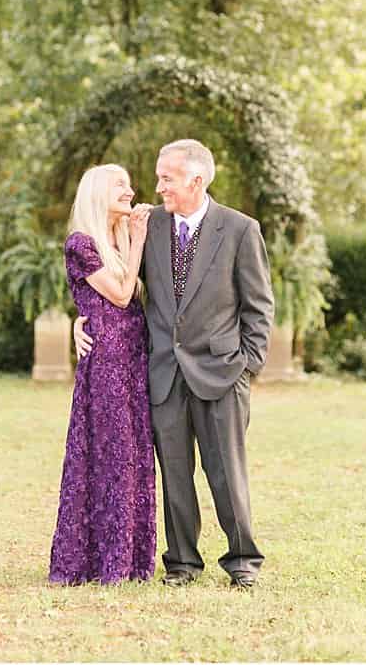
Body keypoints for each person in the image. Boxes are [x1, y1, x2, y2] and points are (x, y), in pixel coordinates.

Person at [74, 138, 274, 589]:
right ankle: (182, 561)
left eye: (167, 177)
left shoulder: (240, 230)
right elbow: (108, 277)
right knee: (175, 474)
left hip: (223, 375)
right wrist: (78, 319)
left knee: (226, 472)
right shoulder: (149, 225)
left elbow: (259, 307)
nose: (158, 185)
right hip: (163, 374)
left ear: (195, 180)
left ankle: (243, 558)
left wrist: (247, 368)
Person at [49, 164, 157, 584]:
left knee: (134, 454)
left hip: (134, 359)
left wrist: (132, 235)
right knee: (109, 455)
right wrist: (138, 239)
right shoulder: (82, 243)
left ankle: (130, 559)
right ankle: (100, 561)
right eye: (119, 185)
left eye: (130, 184)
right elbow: (121, 293)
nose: (130, 191)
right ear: (97, 193)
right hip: (108, 363)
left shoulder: (118, 238)